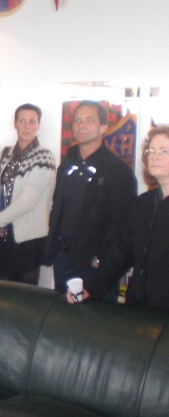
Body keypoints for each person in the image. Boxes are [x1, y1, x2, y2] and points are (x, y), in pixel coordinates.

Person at [67, 126, 169, 310]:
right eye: (151, 151)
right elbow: (122, 252)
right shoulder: (144, 203)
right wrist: (91, 287)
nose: (155, 156)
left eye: (164, 151)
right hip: (138, 307)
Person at [46, 100, 137, 295]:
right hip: (63, 260)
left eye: (89, 120)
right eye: (77, 120)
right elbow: (58, 208)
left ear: (103, 127)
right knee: (61, 313)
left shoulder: (118, 171)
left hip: (94, 268)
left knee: (93, 316)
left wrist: (100, 258)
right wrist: (53, 247)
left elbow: (123, 225)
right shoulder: (67, 164)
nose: (81, 125)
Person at [0, 103, 56, 285]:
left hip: (28, 238)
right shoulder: (6, 153)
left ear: (38, 125)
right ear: (15, 123)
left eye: (32, 121)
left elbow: (28, 201)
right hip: (3, 235)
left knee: (26, 296)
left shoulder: (44, 157)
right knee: (3, 292)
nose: (27, 126)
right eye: (22, 121)